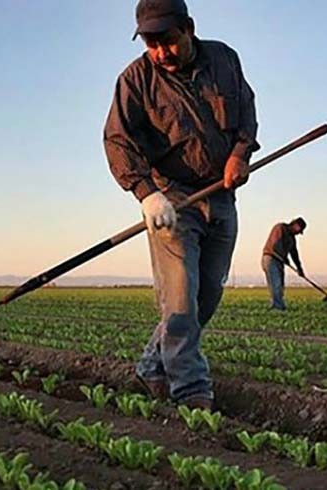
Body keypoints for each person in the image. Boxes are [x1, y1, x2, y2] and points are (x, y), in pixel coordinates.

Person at [104, 0, 259, 409]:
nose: (160, 53)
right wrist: (146, 194)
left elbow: (246, 114)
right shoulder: (136, 79)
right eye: (151, 43)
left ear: (188, 28)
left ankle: (151, 366)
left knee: (206, 296)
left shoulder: (225, 59)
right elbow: (118, 140)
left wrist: (240, 155)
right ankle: (190, 389)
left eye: (168, 41)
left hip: (221, 195)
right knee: (180, 297)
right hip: (171, 198)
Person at [261, 218, 307, 310]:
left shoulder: (292, 239)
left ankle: (278, 305)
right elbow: (276, 245)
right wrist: (285, 258)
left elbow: (294, 254)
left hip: (280, 261)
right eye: (299, 230)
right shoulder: (280, 228)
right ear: (295, 225)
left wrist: (299, 268)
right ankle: (277, 307)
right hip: (271, 258)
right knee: (276, 283)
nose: (298, 233)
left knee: (280, 284)